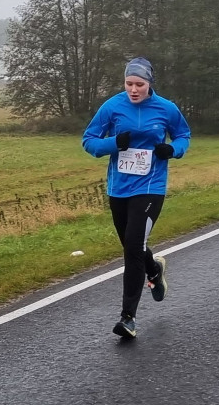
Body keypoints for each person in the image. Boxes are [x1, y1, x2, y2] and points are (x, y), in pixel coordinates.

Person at [82, 57, 191, 339]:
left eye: (139, 84)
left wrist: (173, 150)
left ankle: (127, 317)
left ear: (149, 84)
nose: (133, 89)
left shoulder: (166, 108)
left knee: (132, 246)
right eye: (129, 83)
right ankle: (154, 270)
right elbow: (89, 140)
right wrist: (113, 143)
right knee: (134, 245)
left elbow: (183, 135)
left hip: (151, 186)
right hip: (119, 187)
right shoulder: (112, 106)